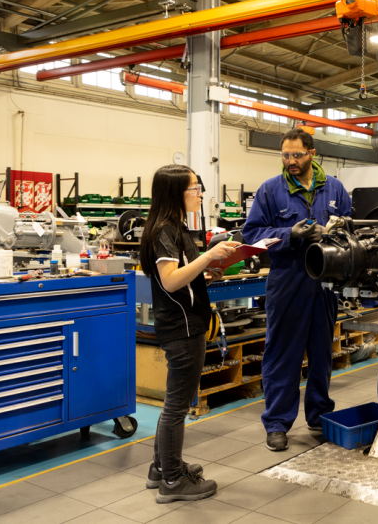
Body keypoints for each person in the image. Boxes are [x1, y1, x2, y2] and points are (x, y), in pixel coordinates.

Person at [243, 127, 352, 452]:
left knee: (321, 354)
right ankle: (277, 422)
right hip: (288, 281)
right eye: (286, 155)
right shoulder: (270, 191)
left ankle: (319, 417)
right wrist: (290, 233)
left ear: (312, 154)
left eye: (297, 155)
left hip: (325, 283)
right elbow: (252, 236)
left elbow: (350, 226)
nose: (291, 161)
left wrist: (337, 231)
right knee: (282, 355)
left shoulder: (335, 189)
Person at [139, 164, 240, 503]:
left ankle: (162, 468)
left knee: (174, 403)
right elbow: (168, 280)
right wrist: (210, 254)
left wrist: (205, 274)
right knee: (177, 406)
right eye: (194, 188)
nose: (199, 194)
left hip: (184, 322)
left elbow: (180, 277)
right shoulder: (164, 230)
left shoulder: (175, 228)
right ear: (175, 193)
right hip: (181, 328)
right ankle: (171, 482)